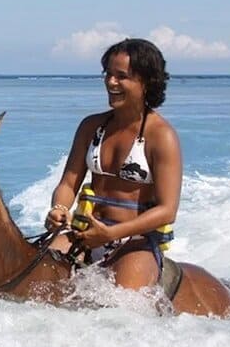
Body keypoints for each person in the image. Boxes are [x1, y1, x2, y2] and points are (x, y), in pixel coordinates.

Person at [45, 38, 181, 290]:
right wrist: (59, 208)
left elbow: (167, 210)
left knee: (119, 315)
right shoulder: (91, 126)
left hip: (135, 242)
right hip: (85, 235)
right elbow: (68, 183)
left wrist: (111, 234)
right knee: (35, 280)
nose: (111, 82)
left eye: (121, 76)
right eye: (108, 74)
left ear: (147, 82)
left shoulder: (161, 136)